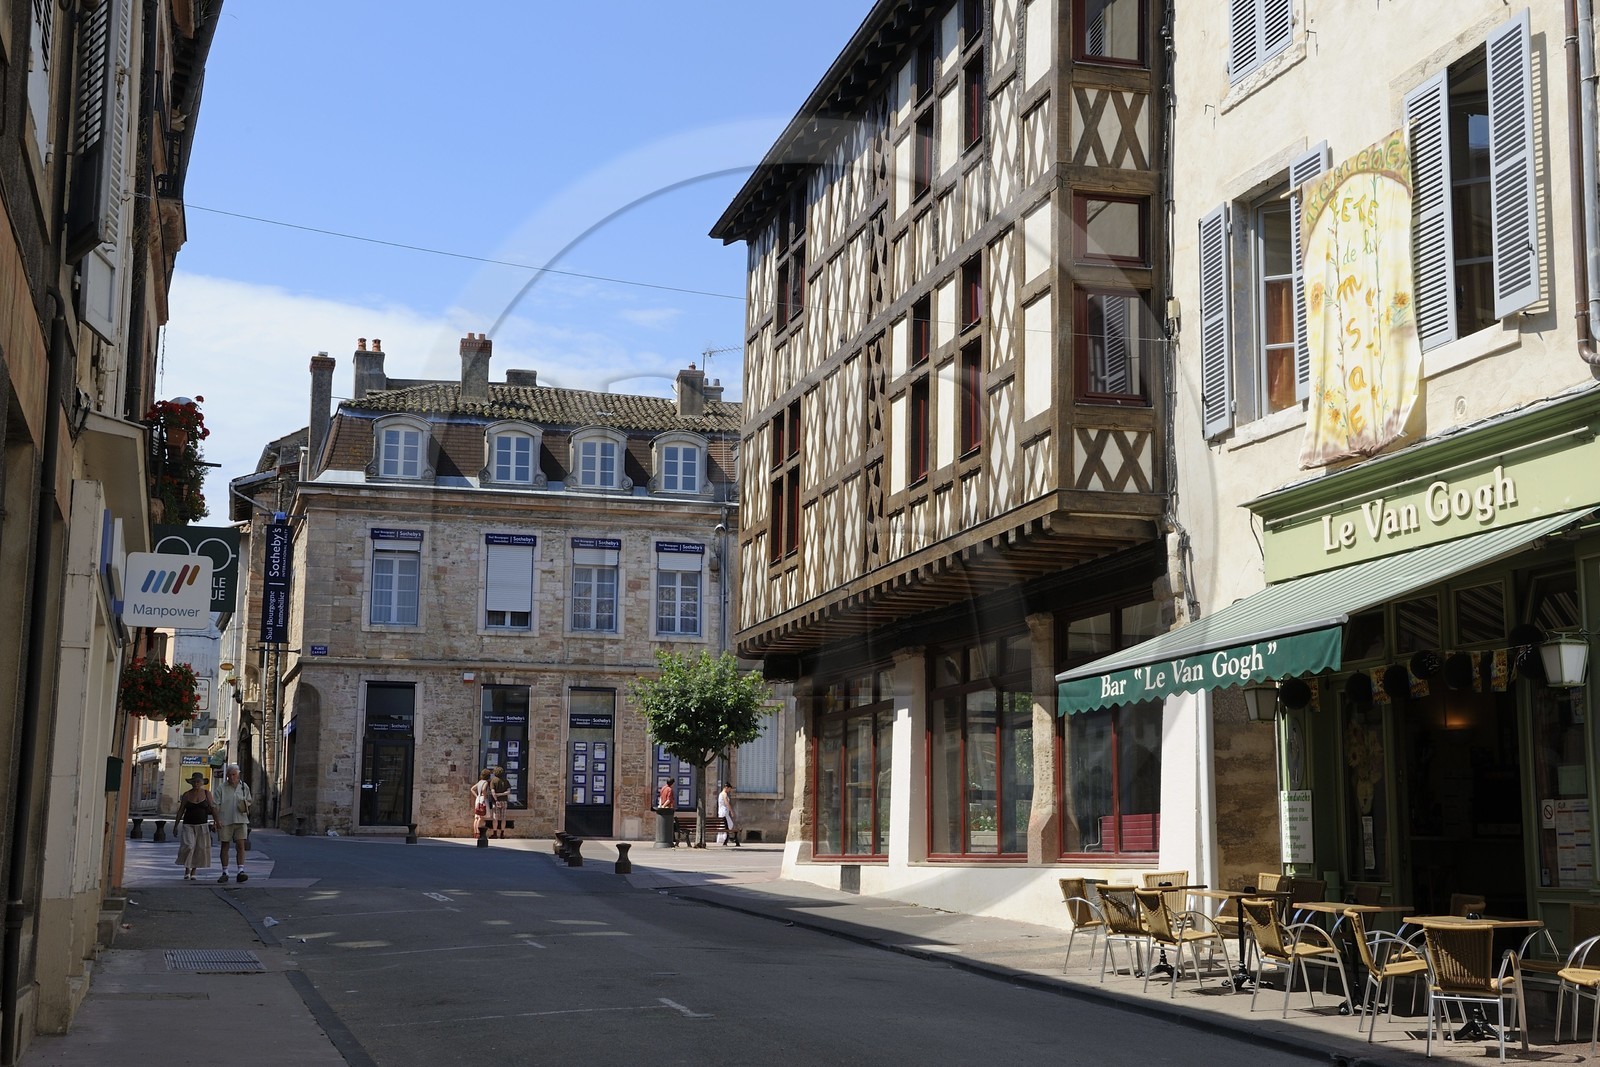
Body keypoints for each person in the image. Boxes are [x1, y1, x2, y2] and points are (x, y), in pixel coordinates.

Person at [213, 763, 253, 883]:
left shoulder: (244, 787)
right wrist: (217, 820)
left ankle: (240, 870)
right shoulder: (221, 788)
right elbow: (215, 805)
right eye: (229, 775)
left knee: (241, 845)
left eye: (234, 775)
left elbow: (249, 801)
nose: (231, 777)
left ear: (238, 775)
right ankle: (225, 871)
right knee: (225, 846)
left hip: (241, 820)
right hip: (225, 820)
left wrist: (245, 804)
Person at [174, 772, 215, 880]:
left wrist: (217, 821)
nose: (196, 783)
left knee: (199, 848)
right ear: (191, 783)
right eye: (194, 781)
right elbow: (181, 810)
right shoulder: (187, 794)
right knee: (189, 846)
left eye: (198, 781)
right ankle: (187, 869)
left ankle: (193, 871)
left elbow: (213, 808)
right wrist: (175, 825)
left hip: (202, 824)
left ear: (202, 783)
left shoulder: (207, 793)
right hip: (188, 824)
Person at [487, 767, 510, 838]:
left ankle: (495, 833)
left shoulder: (493, 781)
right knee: (503, 818)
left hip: (496, 802)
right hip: (504, 801)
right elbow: (508, 792)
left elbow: (493, 792)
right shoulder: (506, 781)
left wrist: (496, 799)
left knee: (495, 818)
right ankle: (502, 833)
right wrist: (502, 794)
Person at [470, 770, 492, 836]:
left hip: (478, 799)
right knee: (481, 816)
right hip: (482, 799)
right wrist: (485, 796)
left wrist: (477, 796)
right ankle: (478, 832)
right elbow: (483, 789)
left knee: (476, 816)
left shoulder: (479, 782)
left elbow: (472, 789)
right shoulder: (485, 782)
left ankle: (475, 832)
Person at [717, 782, 739, 847]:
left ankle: (725, 838)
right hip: (724, 811)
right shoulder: (724, 794)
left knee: (725, 825)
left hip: (721, 811)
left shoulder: (721, 794)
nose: (729, 791)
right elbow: (727, 803)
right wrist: (731, 811)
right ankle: (725, 838)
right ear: (726, 788)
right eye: (729, 789)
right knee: (729, 825)